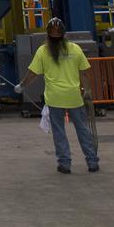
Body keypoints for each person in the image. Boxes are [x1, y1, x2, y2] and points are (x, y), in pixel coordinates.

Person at [16, 17, 99, 175]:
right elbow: (85, 73)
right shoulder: (75, 49)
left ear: (47, 35)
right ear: (64, 34)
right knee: (83, 129)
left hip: (55, 98)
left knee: (59, 131)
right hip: (74, 97)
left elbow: (33, 73)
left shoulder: (43, 51)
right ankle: (92, 161)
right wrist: (87, 91)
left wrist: (22, 85)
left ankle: (65, 164)